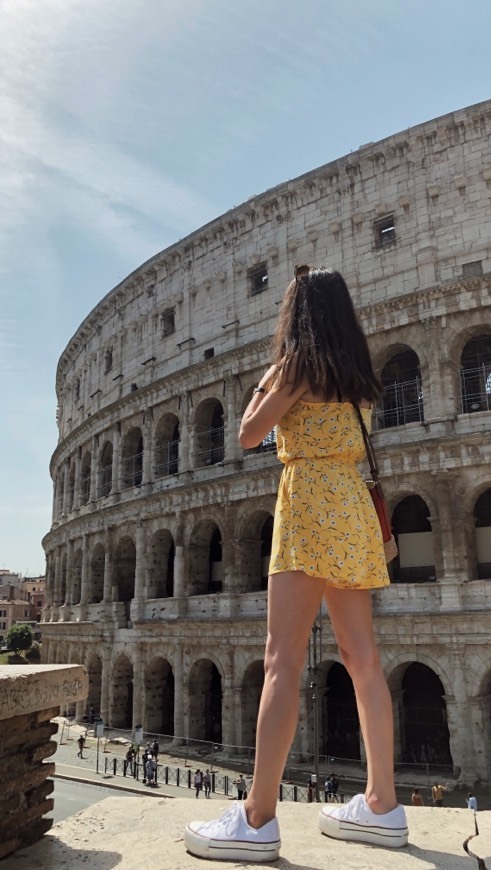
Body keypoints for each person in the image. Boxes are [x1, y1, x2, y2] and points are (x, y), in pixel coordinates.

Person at [184, 267, 408, 863]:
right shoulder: (356, 375)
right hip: (352, 507)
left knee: (282, 660)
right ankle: (383, 803)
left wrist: (267, 377)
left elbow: (248, 434)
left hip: (308, 503)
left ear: (296, 316)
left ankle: (257, 817)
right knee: (364, 662)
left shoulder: (297, 368)